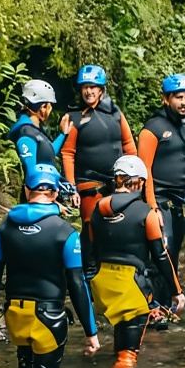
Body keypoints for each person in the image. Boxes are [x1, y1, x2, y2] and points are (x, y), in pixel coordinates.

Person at [0, 164, 100, 368]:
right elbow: (77, 284)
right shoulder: (65, 233)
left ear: (27, 190)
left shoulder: (5, 229)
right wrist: (90, 332)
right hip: (48, 319)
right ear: (55, 193)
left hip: (15, 317)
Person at [89, 155, 185, 368]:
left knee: (120, 335)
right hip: (132, 288)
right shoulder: (147, 214)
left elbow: (91, 249)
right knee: (127, 357)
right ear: (139, 182)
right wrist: (177, 291)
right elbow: (161, 256)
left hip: (102, 286)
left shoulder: (98, 209)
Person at [137, 74, 185, 321]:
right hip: (158, 201)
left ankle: (165, 308)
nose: (184, 102)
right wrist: (152, 207)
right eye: (178, 97)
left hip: (180, 203)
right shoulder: (152, 128)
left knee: (173, 255)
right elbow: (144, 170)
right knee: (160, 254)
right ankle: (152, 309)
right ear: (166, 99)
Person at [59, 64, 138, 271]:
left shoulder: (116, 113)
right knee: (90, 229)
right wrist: (71, 187)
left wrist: (134, 176)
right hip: (89, 185)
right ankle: (90, 274)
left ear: (101, 89)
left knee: (119, 227)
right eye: (85, 87)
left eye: (93, 87)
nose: (89, 91)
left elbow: (129, 145)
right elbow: (68, 153)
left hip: (117, 184)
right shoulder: (75, 118)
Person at [7, 79, 67, 184]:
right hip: (39, 190)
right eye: (49, 105)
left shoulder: (34, 131)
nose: (51, 109)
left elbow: (48, 153)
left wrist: (63, 133)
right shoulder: (26, 133)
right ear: (43, 107)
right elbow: (32, 173)